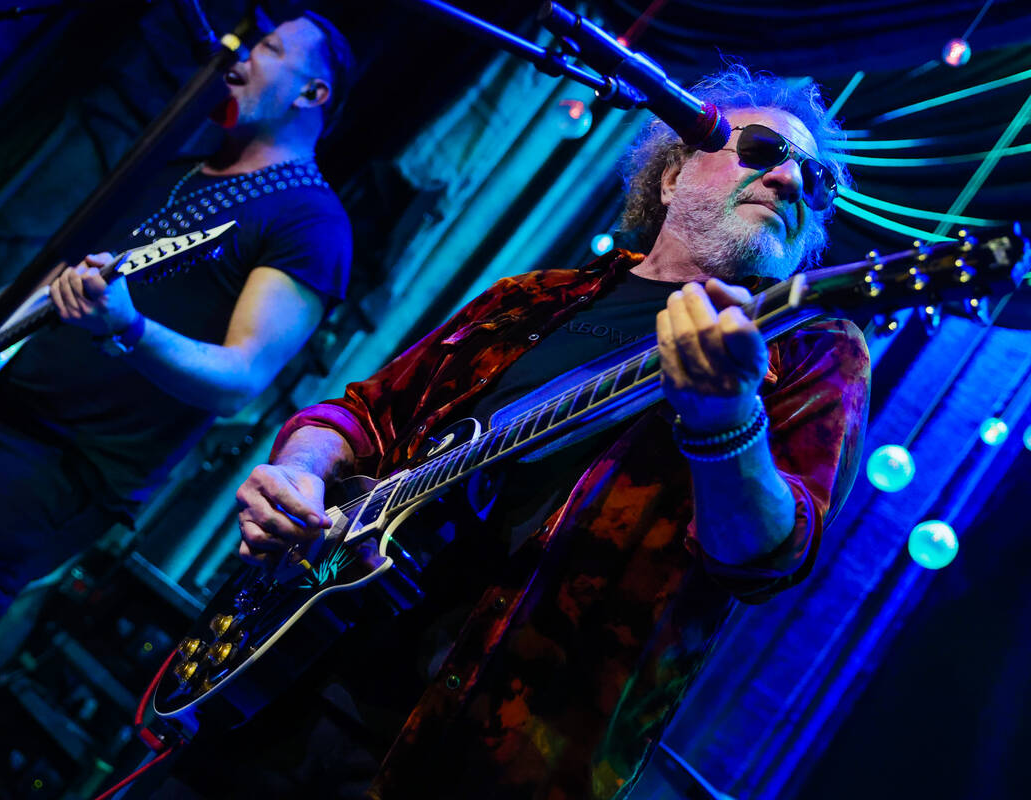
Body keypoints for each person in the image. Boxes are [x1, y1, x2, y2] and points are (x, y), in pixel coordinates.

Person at [226, 64, 870, 800]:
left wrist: (727, 420)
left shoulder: (809, 348)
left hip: (469, 761)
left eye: (815, 183)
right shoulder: (530, 299)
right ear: (668, 177)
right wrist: (303, 470)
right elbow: (364, 412)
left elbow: (764, 558)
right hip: (284, 669)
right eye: (760, 151)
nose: (790, 181)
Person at [0, 9, 355, 720]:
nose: (238, 53)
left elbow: (241, 378)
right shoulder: (178, 166)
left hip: (61, 472)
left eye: (265, 46)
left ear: (311, 93)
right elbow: (52, 287)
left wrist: (130, 328)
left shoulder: (310, 221)